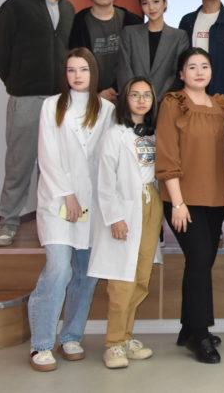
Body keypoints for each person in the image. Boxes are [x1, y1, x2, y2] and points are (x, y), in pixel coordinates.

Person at [27, 48, 114, 372]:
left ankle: (71, 336)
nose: (77, 75)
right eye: (71, 70)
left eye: (83, 69)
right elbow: (47, 155)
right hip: (57, 201)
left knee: (85, 275)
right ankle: (41, 344)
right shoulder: (52, 106)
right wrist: (67, 195)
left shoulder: (106, 109)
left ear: (93, 73)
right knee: (59, 269)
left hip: (93, 203)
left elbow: (108, 157)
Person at [0, 0, 76, 247]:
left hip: (59, 101)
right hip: (25, 98)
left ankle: (49, 225)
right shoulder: (17, 5)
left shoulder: (69, 9)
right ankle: (7, 223)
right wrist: (13, 79)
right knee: (19, 164)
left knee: (54, 166)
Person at [155, 47, 224, 364]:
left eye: (204, 66)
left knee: (202, 263)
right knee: (199, 260)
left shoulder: (220, 105)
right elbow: (167, 153)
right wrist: (177, 203)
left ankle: (188, 328)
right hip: (183, 200)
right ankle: (200, 334)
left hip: (215, 199)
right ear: (181, 73)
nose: (199, 72)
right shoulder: (173, 103)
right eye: (192, 67)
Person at [88, 77, 163, 369]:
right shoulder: (114, 135)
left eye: (147, 95)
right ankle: (113, 344)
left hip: (150, 203)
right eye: (135, 95)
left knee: (141, 276)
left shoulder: (153, 134)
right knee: (122, 279)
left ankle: (127, 337)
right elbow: (105, 180)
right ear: (125, 100)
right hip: (125, 208)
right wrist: (115, 217)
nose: (142, 100)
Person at [68, 0, 142, 102]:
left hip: (125, 94)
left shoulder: (132, 22)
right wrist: (96, 93)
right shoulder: (78, 22)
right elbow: (74, 60)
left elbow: (137, 61)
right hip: (89, 95)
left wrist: (116, 88)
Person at [117, 0, 190, 99]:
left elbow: (178, 73)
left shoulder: (179, 36)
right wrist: (136, 97)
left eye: (156, 1)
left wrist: (159, 99)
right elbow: (124, 70)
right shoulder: (129, 33)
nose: (151, 7)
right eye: (145, 3)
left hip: (165, 101)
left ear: (165, 2)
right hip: (134, 101)